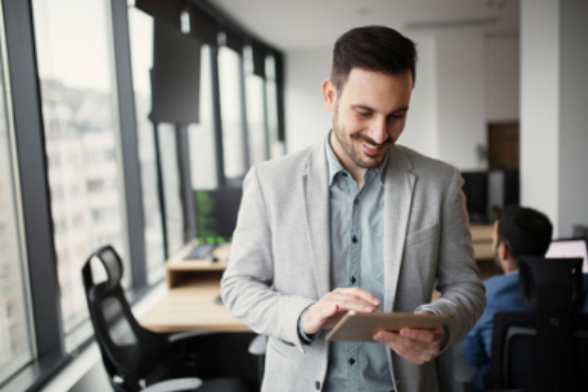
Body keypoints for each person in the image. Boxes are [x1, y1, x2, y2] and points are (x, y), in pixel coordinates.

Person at [221, 25, 485, 392]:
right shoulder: (270, 182)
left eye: (397, 115)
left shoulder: (438, 182)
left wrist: (438, 324)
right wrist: (304, 315)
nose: (380, 134)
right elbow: (238, 286)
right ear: (331, 95)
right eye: (364, 113)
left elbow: (466, 288)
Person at [462, 205, 588, 391]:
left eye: (494, 241)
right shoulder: (582, 286)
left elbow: (473, 355)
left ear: (503, 249)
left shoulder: (486, 293)